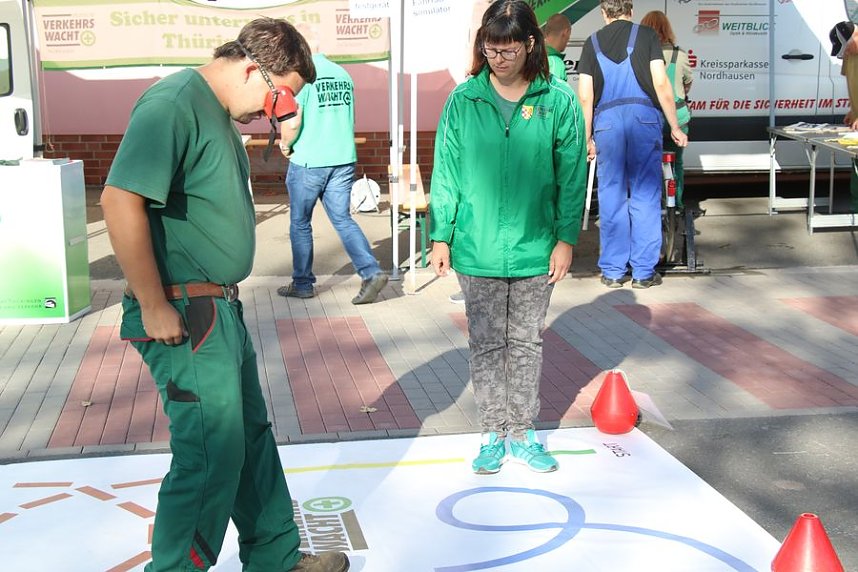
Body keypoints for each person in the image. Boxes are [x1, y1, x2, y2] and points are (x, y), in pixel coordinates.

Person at [100, 18, 349, 572]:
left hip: (216, 310)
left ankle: (277, 559)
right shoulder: (172, 104)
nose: (274, 106)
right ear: (249, 66)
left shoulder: (215, 109)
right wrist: (154, 303)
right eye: (277, 93)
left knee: (249, 439)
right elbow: (119, 201)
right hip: (184, 310)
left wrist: (283, 129)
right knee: (211, 453)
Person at [429, 0, 587, 475]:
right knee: (485, 344)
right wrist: (440, 235)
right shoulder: (463, 100)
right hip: (475, 248)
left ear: (530, 45)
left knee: (525, 343)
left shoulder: (556, 100)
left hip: (535, 246)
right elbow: (447, 172)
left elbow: (572, 174)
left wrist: (565, 238)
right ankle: (492, 432)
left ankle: (523, 432)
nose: (499, 58)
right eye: (491, 48)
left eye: (508, 48)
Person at [577, 0, 688, 290]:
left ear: (603, 13)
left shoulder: (591, 43)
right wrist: (674, 125)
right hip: (643, 121)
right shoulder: (648, 36)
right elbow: (662, 84)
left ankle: (613, 271)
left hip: (607, 125)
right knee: (645, 195)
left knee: (612, 195)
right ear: (631, 10)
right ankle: (642, 272)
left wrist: (587, 136)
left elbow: (586, 96)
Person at [277, 44, 388, 304]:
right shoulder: (343, 74)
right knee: (342, 219)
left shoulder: (302, 77)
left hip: (309, 161)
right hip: (342, 158)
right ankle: (371, 272)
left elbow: (293, 121)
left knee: (301, 223)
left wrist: (285, 145)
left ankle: (303, 284)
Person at [640, 9, 692, 208]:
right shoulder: (680, 55)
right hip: (677, 117)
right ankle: (676, 204)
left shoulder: (641, 56)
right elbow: (687, 84)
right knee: (676, 162)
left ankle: (651, 204)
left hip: (650, 117)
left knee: (647, 163)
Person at [831, 20, 858, 213]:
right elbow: (852, 83)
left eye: (846, 47)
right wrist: (853, 110)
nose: (845, 52)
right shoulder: (850, 54)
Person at [544, 13, 571, 81]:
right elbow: (553, 91)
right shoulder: (555, 63)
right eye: (569, 36)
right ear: (565, 32)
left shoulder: (534, 56)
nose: (568, 40)